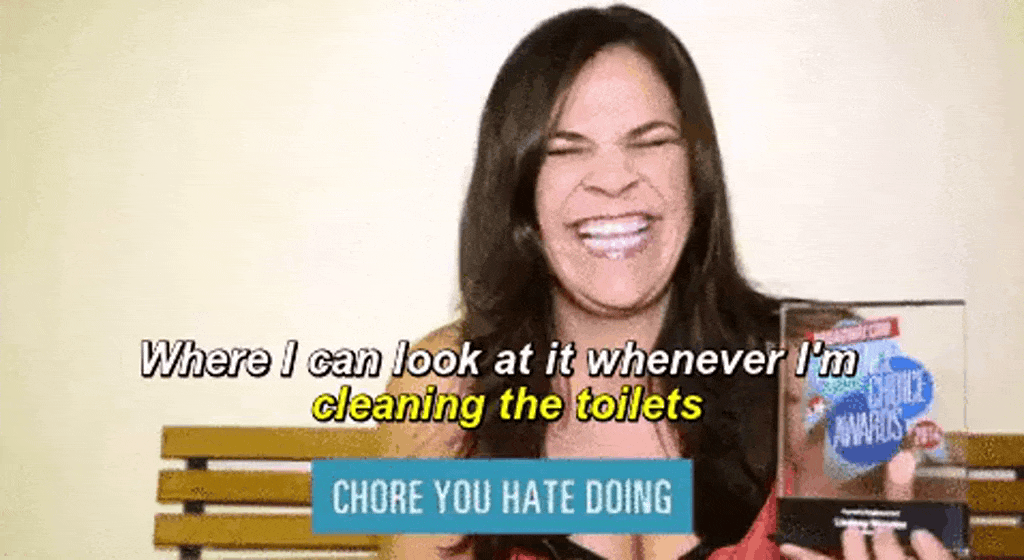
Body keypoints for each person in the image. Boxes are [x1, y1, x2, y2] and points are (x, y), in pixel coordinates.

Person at [381, 5, 954, 560]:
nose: (613, 179)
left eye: (651, 141)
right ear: (519, 193)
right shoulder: (443, 385)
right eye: (565, 149)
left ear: (695, 171)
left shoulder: (835, 364)